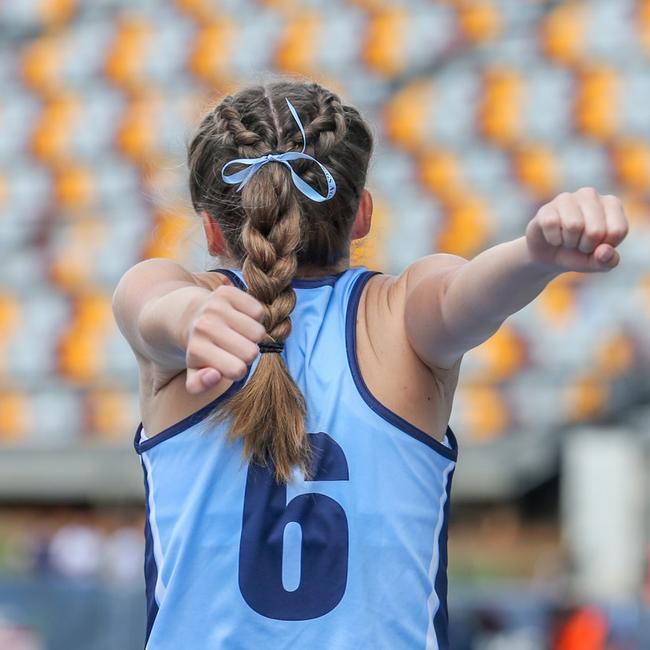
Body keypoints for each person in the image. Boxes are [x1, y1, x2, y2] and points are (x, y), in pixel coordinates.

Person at [112, 80, 629, 650]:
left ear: (211, 230)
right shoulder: (396, 319)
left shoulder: (181, 305)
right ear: (362, 215)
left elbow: (148, 307)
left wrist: (193, 320)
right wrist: (534, 255)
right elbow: (467, 295)